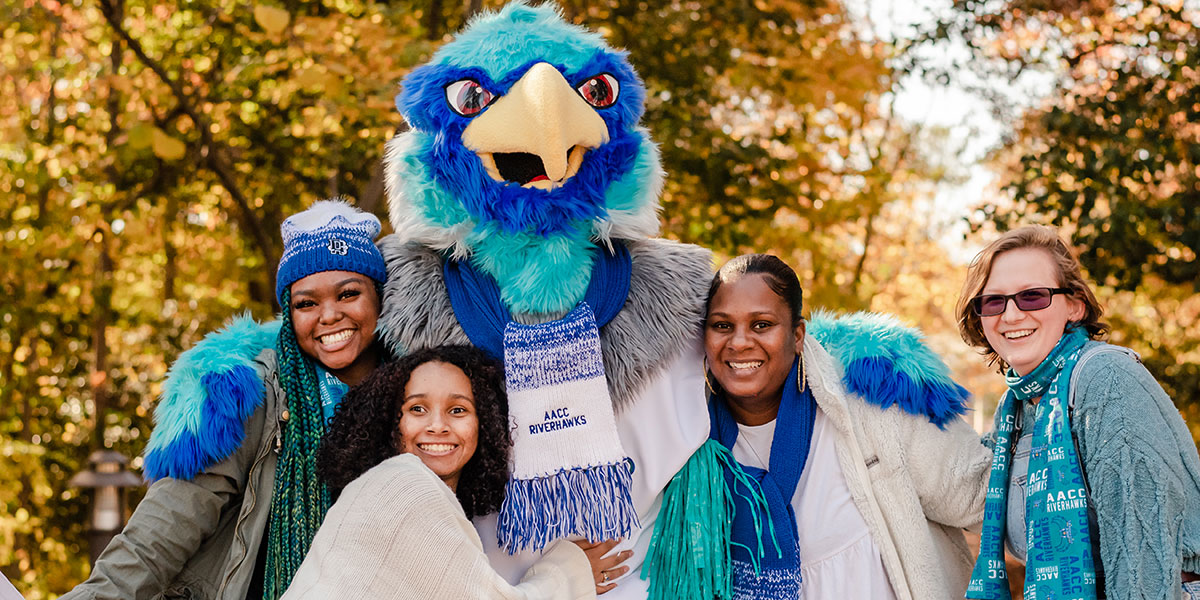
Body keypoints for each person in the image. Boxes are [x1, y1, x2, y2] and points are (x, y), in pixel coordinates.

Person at [62, 200, 389, 600]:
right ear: (289, 314)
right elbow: (157, 536)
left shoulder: (419, 399)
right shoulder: (252, 398)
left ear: (378, 297)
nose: (329, 315)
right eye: (307, 303)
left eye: (348, 294)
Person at [647, 254, 991, 600]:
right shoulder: (686, 441)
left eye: (762, 325)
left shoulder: (874, 403)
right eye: (722, 326)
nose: (739, 342)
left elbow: (982, 498)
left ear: (797, 335)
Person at [958, 224, 1200, 600]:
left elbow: (1143, 562)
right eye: (994, 301)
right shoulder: (1016, 413)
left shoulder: (1107, 381)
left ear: (1075, 306)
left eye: (1033, 296)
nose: (1010, 315)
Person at [281, 345, 600, 599]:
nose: (437, 426)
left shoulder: (435, 505)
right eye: (417, 409)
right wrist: (570, 569)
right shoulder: (399, 484)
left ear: (484, 426)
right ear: (391, 422)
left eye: (458, 410)